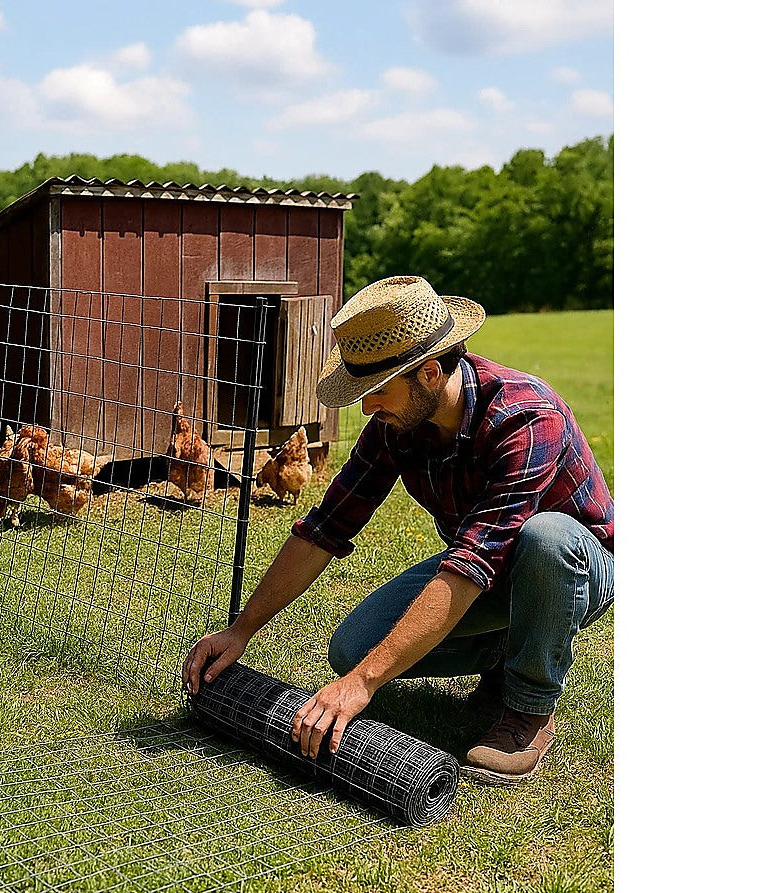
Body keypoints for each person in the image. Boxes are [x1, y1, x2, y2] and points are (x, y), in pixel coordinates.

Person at [183, 275, 613, 786]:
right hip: (484, 566)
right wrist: (241, 628)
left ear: (430, 373)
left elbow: (473, 563)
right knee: (351, 649)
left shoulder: (525, 417)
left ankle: (528, 708)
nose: (366, 407)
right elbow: (324, 527)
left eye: (378, 391)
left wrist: (363, 685)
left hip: (576, 571)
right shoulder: (397, 426)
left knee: (547, 538)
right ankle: (508, 650)